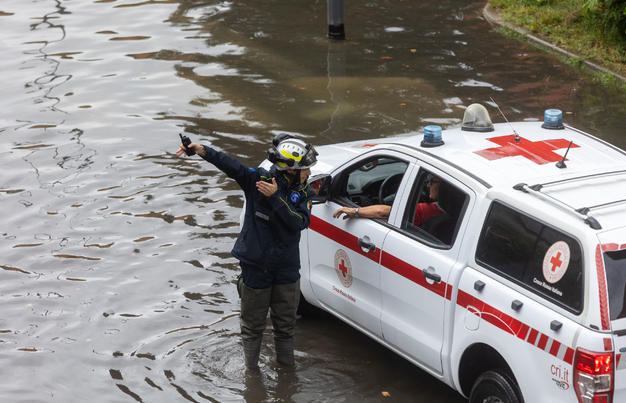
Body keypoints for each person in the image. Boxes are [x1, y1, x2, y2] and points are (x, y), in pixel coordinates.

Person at [176, 133, 317, 370]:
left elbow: (298, 223)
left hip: (287, 268)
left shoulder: (304, 193)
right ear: (290, 170)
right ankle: (251, 377)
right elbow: (232, 166)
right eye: (305, 169)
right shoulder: (257, 180)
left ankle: (287, 374)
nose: (309, 173)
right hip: (256, 266)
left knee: (286, 327)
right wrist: (202, 150)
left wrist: (275, 198)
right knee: (252, 327)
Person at [333, 175, 442, 226]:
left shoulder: (427, 210)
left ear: (444, 186)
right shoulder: (456, 208)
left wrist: (355, 211)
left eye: (432, 181)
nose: (428, 185)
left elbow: (382, 212)